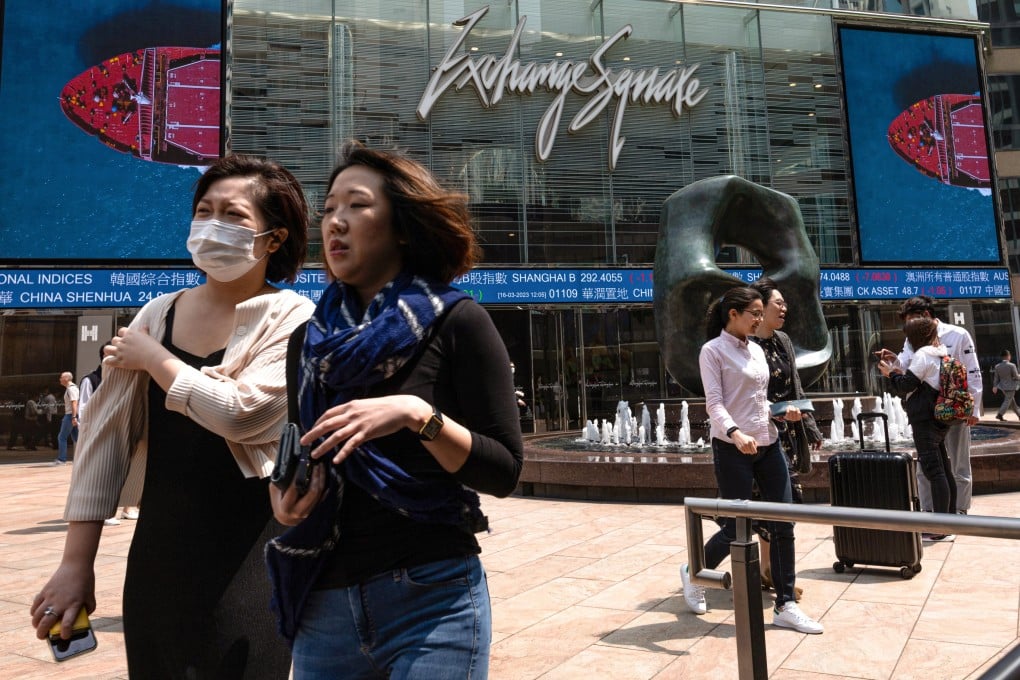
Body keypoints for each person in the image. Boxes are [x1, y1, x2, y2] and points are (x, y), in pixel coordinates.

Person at [31, 154, 315, 679]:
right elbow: (104, 444)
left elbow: (243, 414)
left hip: (253, 559)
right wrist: (76, 564)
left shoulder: (294, 316)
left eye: (233, 216)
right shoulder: (155, 315)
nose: (212, 226)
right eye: (204, 211)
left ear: (273, 240)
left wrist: (156, 360)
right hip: (159, 560)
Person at [267, 141, 523, 678]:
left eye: (357, 205)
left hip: (433, 598)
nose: (336, 221)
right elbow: (306, 450)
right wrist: (285, 495)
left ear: (402, 226)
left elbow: (503, 470)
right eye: (329, 207)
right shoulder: (307, 344)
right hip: (326, 603)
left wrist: (415, 413)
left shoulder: (458, 322)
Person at [682, 286, 823, 634]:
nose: (760, 319)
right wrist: (735, 433)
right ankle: (694, 571)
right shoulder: (712, 351)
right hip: (733, 448)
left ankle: (786, 604)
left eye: (762, 313)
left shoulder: (758, 350)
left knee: (783, 522)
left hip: (769, 444)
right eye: (755, 313)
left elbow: (760, 401)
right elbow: (714, 403)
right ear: (733, 314)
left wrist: (783, 414)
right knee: (735, 524)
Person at [749, 277, 823, 595]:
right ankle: (772, 573)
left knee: (783, 503)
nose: (784, 308)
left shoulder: (783, 340)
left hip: (786, 433)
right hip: (758, 435)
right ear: (759, 309)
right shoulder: (746, 345)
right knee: (770, 503)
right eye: (777, 303)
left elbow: (795, 385)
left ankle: (769, 569)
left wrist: (809, 425)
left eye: (783, 303)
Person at [876, 295, 982, 514]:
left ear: (925, 316)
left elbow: (972, 371)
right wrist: (895, 360)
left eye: (910, 320)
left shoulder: (958, 334)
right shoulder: (911, 340)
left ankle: (959, 511)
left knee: (958, 464)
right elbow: (908, 367)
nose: (907, 326)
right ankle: (929, 511)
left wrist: (974, 408)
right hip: (929, 410)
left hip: (954, 407)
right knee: (930, 466)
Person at [878, 317, 957, 541]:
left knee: (935, 470)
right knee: (943, 467)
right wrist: (897, 366)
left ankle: (941, 526)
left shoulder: (923, 355)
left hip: (925, 419)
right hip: (940, 417)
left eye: (908, 336)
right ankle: (951, 520)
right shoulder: (941, 352)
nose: (907, 341)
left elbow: (906, 385)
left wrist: (890, 373)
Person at [78, 345, 139, 526]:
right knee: (103, 471)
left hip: (122, 428)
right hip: (100, 431)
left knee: (127, 469)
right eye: (109, 354)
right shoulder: (91, 380)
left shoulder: (124, 377)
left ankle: (128, 508)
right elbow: (84, 407)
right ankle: (104, 511)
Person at [50, 372, 79, 465]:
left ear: (67, 378)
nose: (60, 379)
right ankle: (84, 457)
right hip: (72, 415)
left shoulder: (71, 389)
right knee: (77, 438)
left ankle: (61, 459)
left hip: (70, 415)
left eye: (61, 377)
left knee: (62, 437)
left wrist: (74, 417)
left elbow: (74, 403)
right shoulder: (71, 388)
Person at [992, 350, 1020, 421]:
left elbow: (996, 378)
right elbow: (1016, 377)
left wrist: (994, 386)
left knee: (1012, 403)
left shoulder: (997, 366)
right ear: (1008, 356)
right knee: (1007, 401)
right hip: (1011, 387)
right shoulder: (1012, 365)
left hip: (1003, 387)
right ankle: (1000, 414)